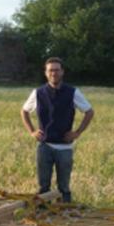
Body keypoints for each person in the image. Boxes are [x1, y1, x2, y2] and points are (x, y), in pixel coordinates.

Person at [20, 57, 94, 202]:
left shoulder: (72, 92)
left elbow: (89, 112)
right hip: (44, 146)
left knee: (64, 188)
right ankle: (43, 216)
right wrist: (32, 131)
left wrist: (77, 133)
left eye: (57, 70)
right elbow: (24, 111)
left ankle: (64, 215)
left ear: (62, 72)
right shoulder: (38, 93)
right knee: (43, 187)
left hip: (65, 148)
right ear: (46, 73)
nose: (54, 73)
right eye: (51, 70)